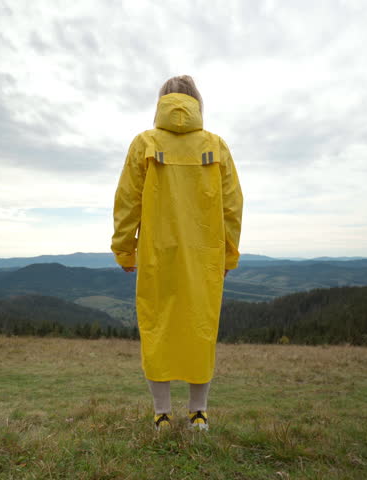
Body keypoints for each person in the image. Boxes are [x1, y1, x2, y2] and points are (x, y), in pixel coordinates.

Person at [111, 75, 243, 431]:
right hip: (205, 256)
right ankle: (199, 413)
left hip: (157, 254)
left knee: (158, 328)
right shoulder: (217, 145)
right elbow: (232, 206)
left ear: (161, 102)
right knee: (201, 328)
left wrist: (125, 249)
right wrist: (229, 255)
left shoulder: (144, 143)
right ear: (197, 102)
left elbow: (127, 201)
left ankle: (162, 415)